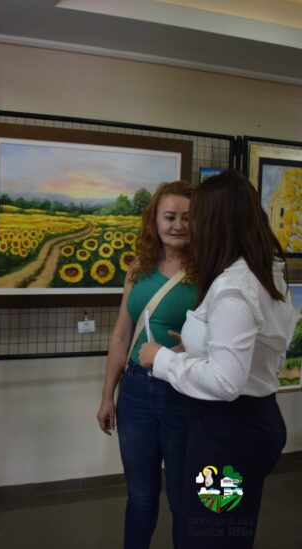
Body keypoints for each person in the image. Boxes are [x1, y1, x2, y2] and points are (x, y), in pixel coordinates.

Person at [139, 169, 297, 548]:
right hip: (250, 424)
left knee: (207, 533)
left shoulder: (233, 290)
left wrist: (160, 359)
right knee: (230, 529)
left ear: (215, 222)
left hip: (227, 435)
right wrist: (199, 348)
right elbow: (263, 345)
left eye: (197, 218)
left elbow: (226, 382)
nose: (190, 227)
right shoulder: (266, 272)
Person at [97, 180, 197, 549]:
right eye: (169, 217)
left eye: (187, 217)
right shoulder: (138, 268)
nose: (178, 225)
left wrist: (196, 346)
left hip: (185, 393)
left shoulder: (210, 271)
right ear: (154, 220)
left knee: (185, 500)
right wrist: (107, 396)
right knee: (140, 497)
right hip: (136, 392)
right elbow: (121, 336)